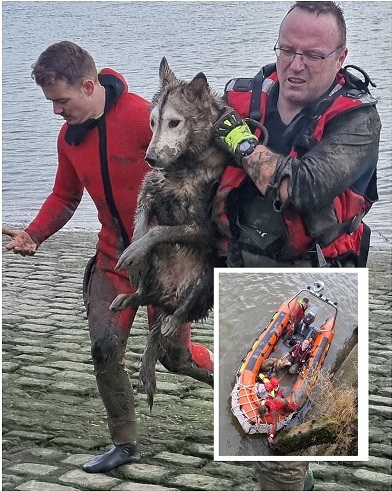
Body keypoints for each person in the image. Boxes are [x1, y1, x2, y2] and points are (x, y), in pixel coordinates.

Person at [2, 41, 213, 474]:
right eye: (50, 103)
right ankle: (124, 442)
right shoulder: (69, 137)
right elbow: (65, 196)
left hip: (166, 261)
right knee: (104, 349)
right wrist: (34, 234)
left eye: (61, 101)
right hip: (113, 258)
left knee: (177, 358)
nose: (56, 111)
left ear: (87, 85)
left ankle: (240, 377)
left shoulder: (141, 117)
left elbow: (197, 157)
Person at [213, 0, 381, 271]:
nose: (296, 65)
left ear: (340, 58)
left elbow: (304, 188)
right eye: (287, 50)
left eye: (313, 55)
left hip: (323, 272)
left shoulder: (360, 121)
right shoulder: (240, 100)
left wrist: (241, 143)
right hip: (239, 269)